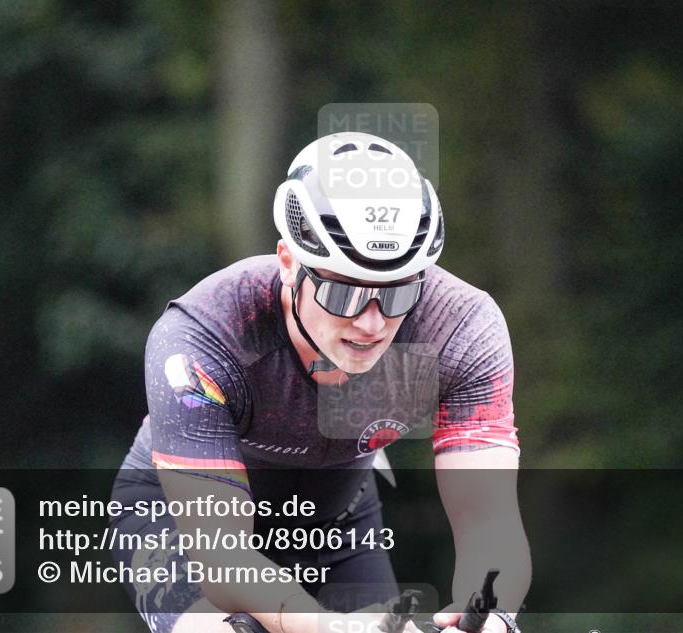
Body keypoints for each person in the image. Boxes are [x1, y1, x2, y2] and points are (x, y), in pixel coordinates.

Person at [111, 132, 529, 633]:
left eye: (396, 294)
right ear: (289, 263)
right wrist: (334, 630)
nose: (371, 323)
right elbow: (224, 562)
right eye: (344, 292)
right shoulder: (205, 336)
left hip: (339, 516)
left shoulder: (461, 329)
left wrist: (491, 614)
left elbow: (489, 519)